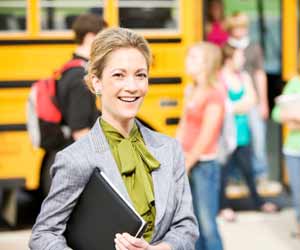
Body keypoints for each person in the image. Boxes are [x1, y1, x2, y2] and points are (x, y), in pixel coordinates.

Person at [29, 27, 199, 250]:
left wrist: (159, 249)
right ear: (96, 82)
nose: (132, 87)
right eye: (119, 75)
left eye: (140, 75)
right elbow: (43, 234)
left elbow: (186, 227)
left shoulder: (169, 149)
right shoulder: (75, 158)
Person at [219, 43, 277, 221]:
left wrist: (235, 106)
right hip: (226, 136)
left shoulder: (243, 76)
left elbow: (252, 100)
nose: (243, 60)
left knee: (249, 170)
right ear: (229, 59)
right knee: (223, 173)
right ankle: (223, 206)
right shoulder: (220, 78)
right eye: (239, 57)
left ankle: (259, 202)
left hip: (243, 133)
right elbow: (223, 106)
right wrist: (239, 105)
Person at [176, 42, 224, 250]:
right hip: (187, 160)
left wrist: (189, 161)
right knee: (191, 224)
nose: (187, 62)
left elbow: (207, 134)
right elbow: (183, 124)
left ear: (207, 64)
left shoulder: (215, 94)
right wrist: (177, 154)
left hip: (204, 165)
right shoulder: (191, 89)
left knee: (207, 224)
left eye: (193, 58)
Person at [226, 12, 271, 184]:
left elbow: (260, 75)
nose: (240, 31)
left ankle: (260, 174)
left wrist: (263, 102)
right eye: (237, 27)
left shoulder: (253, 47)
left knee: (258, 137)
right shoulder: (227, 48)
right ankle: (235, 177)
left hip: (252, 100)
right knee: (235, 139)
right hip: (234, 99)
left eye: (243, 27)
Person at [56, 13, 106, 146]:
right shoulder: (80, 78)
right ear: (90, 38)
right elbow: (80, 131)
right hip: (78, 159)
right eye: (103, 39)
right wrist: (103, 157)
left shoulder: (72, 69)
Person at [272, 75, 300, 238]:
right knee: (298, 194)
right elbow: (276, 113)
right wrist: (293, 117)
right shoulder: (295, 83)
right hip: (294, 151)